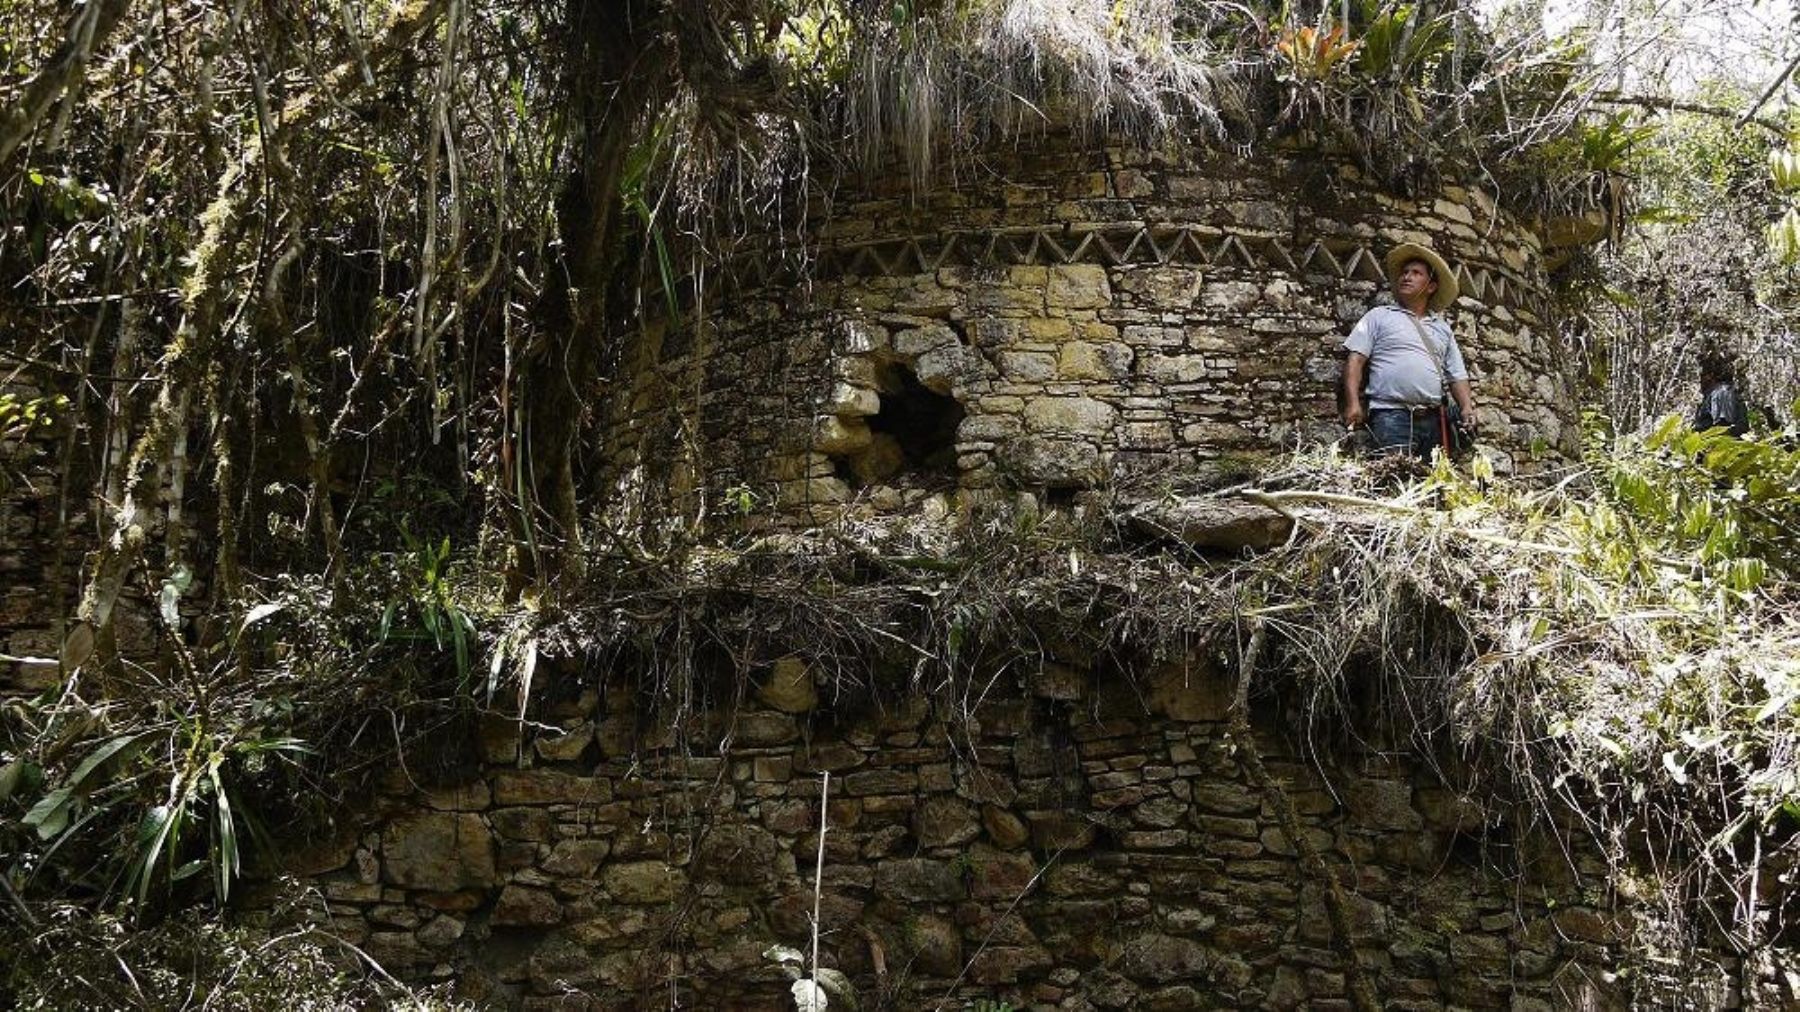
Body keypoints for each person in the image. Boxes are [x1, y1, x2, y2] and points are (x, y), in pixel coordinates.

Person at [1341, 242, 1476, 459]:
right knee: (1394, 482)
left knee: (1433, 486)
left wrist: (1467, 408)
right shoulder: (1379, 316)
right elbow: (1355, 361)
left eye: (1416, 273)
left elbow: (1457, 375)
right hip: (1390, 416)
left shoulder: (1442, 329)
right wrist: (1353, 403)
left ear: (1431, 287)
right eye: (1404, 272)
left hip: (1434, 420)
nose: (1406, 277)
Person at [1693, 352, 1751, 437]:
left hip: (1721, 444)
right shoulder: (1713, 393)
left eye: (1703, 375)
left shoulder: (1722, 392)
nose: (1700, 380)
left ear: (1711, 375)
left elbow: (1723, 426)